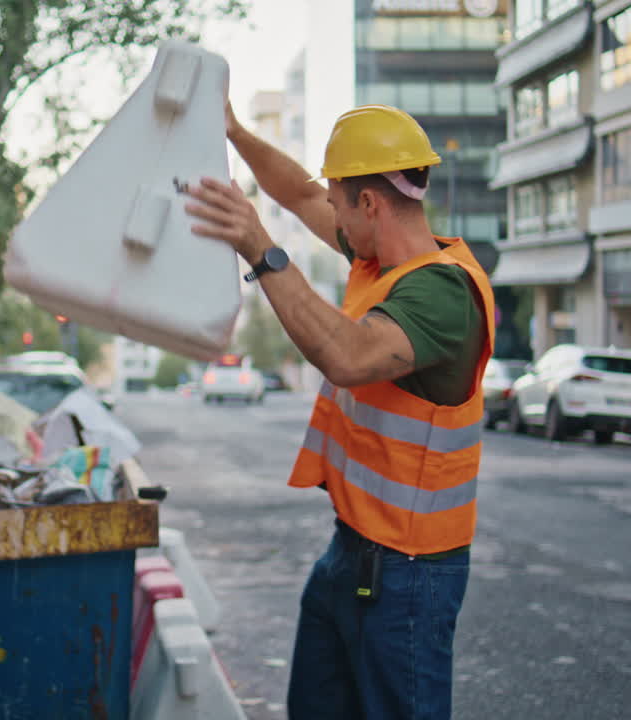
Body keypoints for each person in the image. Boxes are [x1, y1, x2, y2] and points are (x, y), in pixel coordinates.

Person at [184, 103, 497, 719]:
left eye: (340, 204)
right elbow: (298, 191)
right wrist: (233, 131)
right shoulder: (376, 257)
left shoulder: (442, 293)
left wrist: (260, 247)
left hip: (409, 572)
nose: (330, 216)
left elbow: (349, 357)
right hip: (353, 554)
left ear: (372, 205)